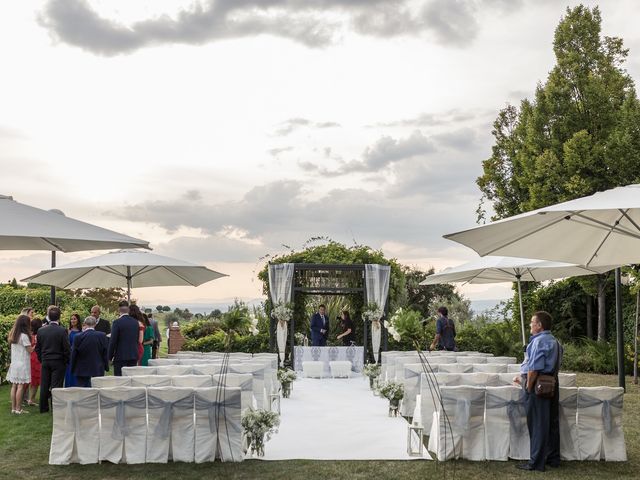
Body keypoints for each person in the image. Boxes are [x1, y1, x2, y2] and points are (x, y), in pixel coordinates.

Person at [514, 311, 561, 472]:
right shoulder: (555, 341)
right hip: (552, 383)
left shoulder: (538, 342)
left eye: (532, 322)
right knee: (551, 422)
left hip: (538, 385)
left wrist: (528, 387)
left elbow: (534, 369)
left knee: (537, 424)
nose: (530, 325)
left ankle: (536, 462)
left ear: (539, 325)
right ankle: (553, 458)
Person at [36, 306, 70, 413]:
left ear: (49, 317)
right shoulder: (62, 331)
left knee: (44, 385)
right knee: (57, 385)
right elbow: (66, 348)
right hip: (58, 361)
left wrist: (42, 359)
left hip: (46, 360)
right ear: (59, 317)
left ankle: (43, 408)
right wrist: (66, 360)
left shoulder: (41, 330)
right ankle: (56, 407)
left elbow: (38, 348)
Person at [70, 316, 109, 387]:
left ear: (85, 323)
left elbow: (74, 354)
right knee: (97, 390)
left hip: (81, 368)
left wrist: (72, 368)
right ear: (95, 324)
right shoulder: (102, 335)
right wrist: (106, 366)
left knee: (83, 391)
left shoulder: (78, 336)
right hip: (97, 367)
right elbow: (105, 352)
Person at [6, 315, 33, 414]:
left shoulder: (13, 334)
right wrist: (36, 344)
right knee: (20, 386)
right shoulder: (24, 336)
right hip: (22, 364)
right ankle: (18, 409)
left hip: (14, 363)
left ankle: (13, 408)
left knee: (14, 386)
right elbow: (29, 350)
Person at [108, 300, 140, 376]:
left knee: (120, 380)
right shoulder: (135, 322)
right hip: (133, 355)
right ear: (128, 309)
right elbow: (136, 339)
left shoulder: (117, 322)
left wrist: (109, 356)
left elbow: (113, 341)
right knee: (131, 379)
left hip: (121, 356)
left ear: (119, 309)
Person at [64, 313, 82, 387]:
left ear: (78, 320)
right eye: (71, 319)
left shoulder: (81, 331)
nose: (73, 320)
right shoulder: (68, 331)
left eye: (74, 319)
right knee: (69, 372)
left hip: (79, 355)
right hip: (70, 355)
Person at [28, 318, 43, 406]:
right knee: (39, 379)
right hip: (38, 357)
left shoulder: (30, 335)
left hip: (32, 358)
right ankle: (32, 399)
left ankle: (31, 398)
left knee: (34, 380)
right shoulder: (39, 335)